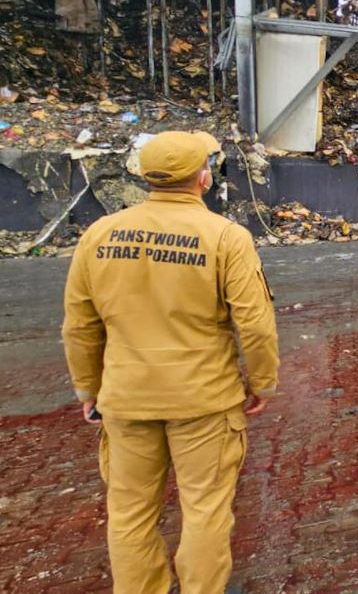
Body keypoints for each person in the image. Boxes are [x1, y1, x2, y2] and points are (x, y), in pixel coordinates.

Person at [62, 131, 279, 594]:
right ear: (204, 178)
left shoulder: (98, 235)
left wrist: (88, 388)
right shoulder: (225, 237)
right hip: (204, 400)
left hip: (125, 399)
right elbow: (255, 324)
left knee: (129, 512)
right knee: (205, 508)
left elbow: (80, 325)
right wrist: (263, 382)